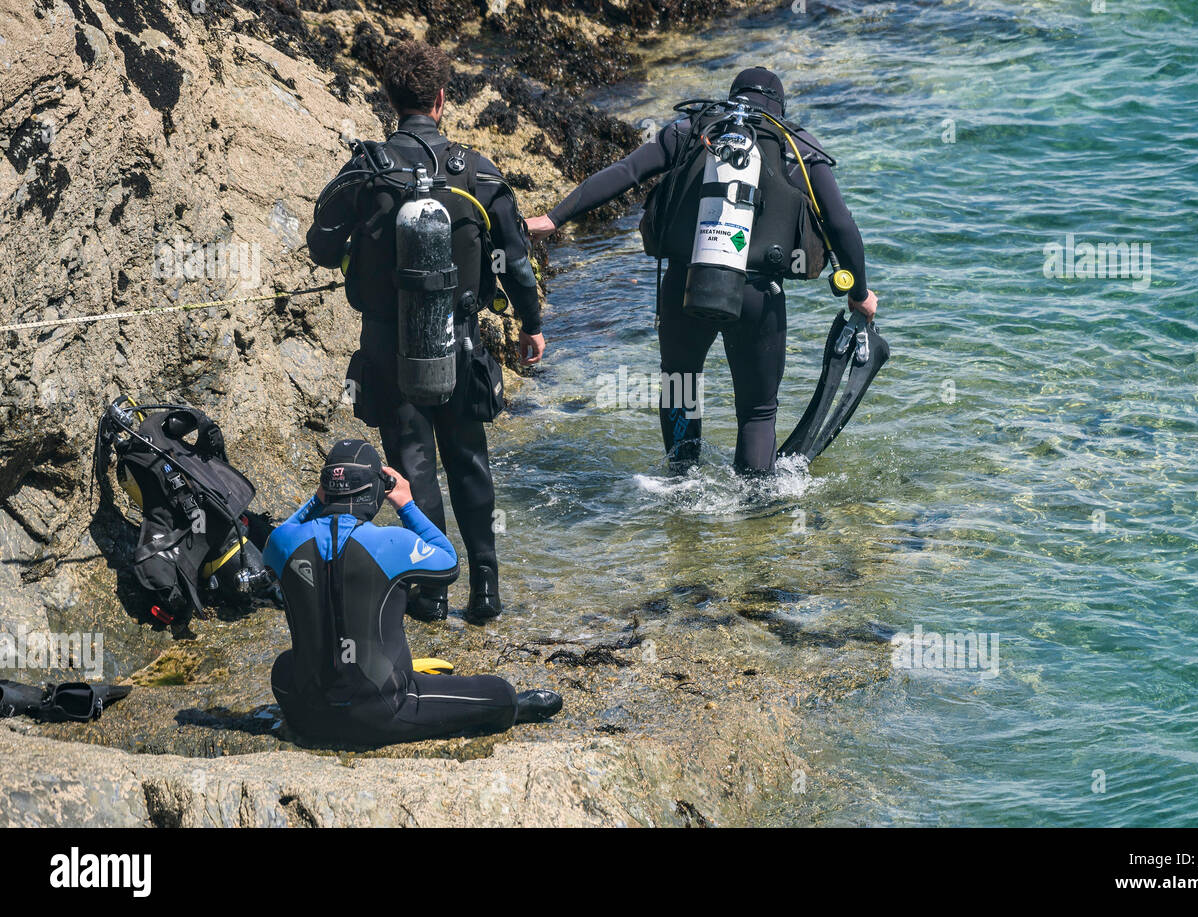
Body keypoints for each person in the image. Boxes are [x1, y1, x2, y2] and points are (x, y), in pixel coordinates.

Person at [526, 67, 880, 475]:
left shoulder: (692, 130)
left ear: (733, 97)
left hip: (684, 286)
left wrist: (554, 218)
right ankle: (755, 521)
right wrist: (860, 292)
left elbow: (625, 173)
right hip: (757, 297)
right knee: (757, 411)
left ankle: (682, 490)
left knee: (680, 387)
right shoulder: (794, 146)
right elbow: (841, 224)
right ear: (778, 107)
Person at [307, 40, 544, 623]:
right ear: (442, 99)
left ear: (392, 100)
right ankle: (484, 590)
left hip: (389, 346)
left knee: (413, 463)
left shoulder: (365, 171)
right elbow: (515, 261)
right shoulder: (478, 172)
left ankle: (432, 589)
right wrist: (530, 324)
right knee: (469, 457)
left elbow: (319, 246)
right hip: (460, 342)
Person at [264, 439, 562, 746]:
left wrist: (317, 500)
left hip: (308, 714)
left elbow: (282, 532)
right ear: (377, 490)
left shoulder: (283, 542)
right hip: (383, 712)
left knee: (285, 667)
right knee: (497, 692)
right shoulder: (391, 542)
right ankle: (511, 706)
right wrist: (406, 504)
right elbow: (449, 563)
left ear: (324, 489)